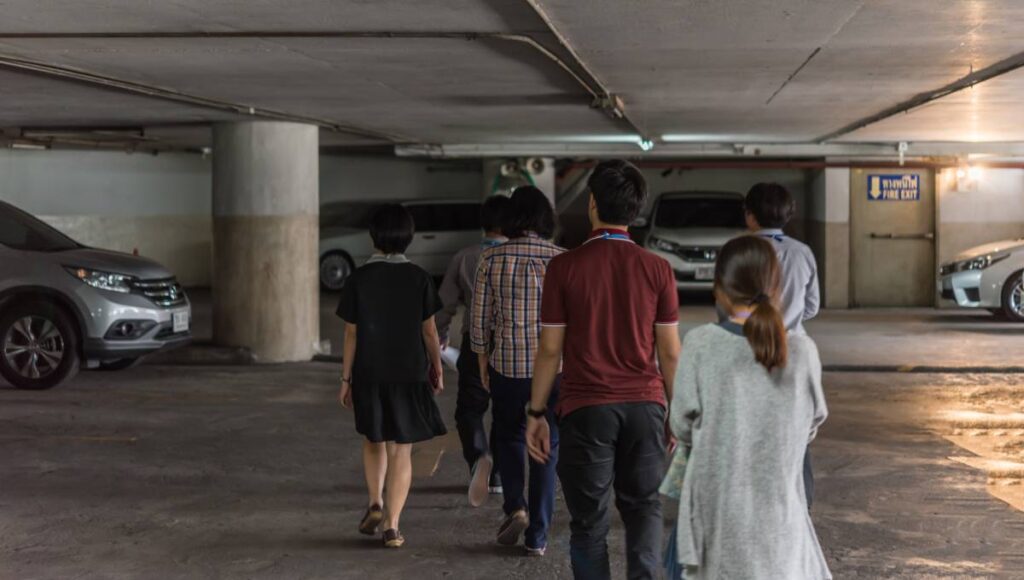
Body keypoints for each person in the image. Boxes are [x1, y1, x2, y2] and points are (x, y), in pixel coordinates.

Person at [526, 160, 682, 580]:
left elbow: (550, 349)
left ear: (593, 203)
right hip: (645, 406)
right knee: (643, 507)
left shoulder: (564, 268)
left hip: (586, 409)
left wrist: (536, 412)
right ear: (636, 210)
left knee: (589, 525)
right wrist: (676, 410)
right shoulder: (658, 269)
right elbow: (669, 352)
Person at [668, 235, 830, 580]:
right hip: (780, 521)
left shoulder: (701, 345)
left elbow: (681, 425)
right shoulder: (802, 351)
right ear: (776, 284)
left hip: (717, 517)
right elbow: (812, 423)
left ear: (719, 289)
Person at [337, 204, 447, 549]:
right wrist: (437, 367)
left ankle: (374, 501)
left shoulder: (359, 279)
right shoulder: (419, 277)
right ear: (408, 236)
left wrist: (345, 379)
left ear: (374, 236)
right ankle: (392, 527)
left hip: (369, 371)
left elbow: (351, 334)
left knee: (374, 439)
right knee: (402, 449)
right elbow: (429, 331)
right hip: (409, 371)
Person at [470, 186, 564, 557]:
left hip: (507, 365)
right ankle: (538, 537)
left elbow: (481, 321)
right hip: (554, 369)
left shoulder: (491, 260)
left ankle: (516, 506)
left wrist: (482, 360)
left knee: (508, 435)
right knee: (547, 444)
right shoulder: (562, 260)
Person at [744, 182, 821, 505]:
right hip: (793, 350)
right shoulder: (802, 252)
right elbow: (813, 305)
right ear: (788, 215)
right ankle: (800, 503)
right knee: (795, 432)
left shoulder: (739, 250)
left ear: (750, 217)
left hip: (748, 351)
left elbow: (725, 309)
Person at [436, 195, 511, 506]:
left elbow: (445, 305)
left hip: (473, 341)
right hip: (511, 344)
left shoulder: (464, 257)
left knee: (470, 409)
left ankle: (479, 457)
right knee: (508, 411)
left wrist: (439, 338)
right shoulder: (517, 255)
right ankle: (498, 475)